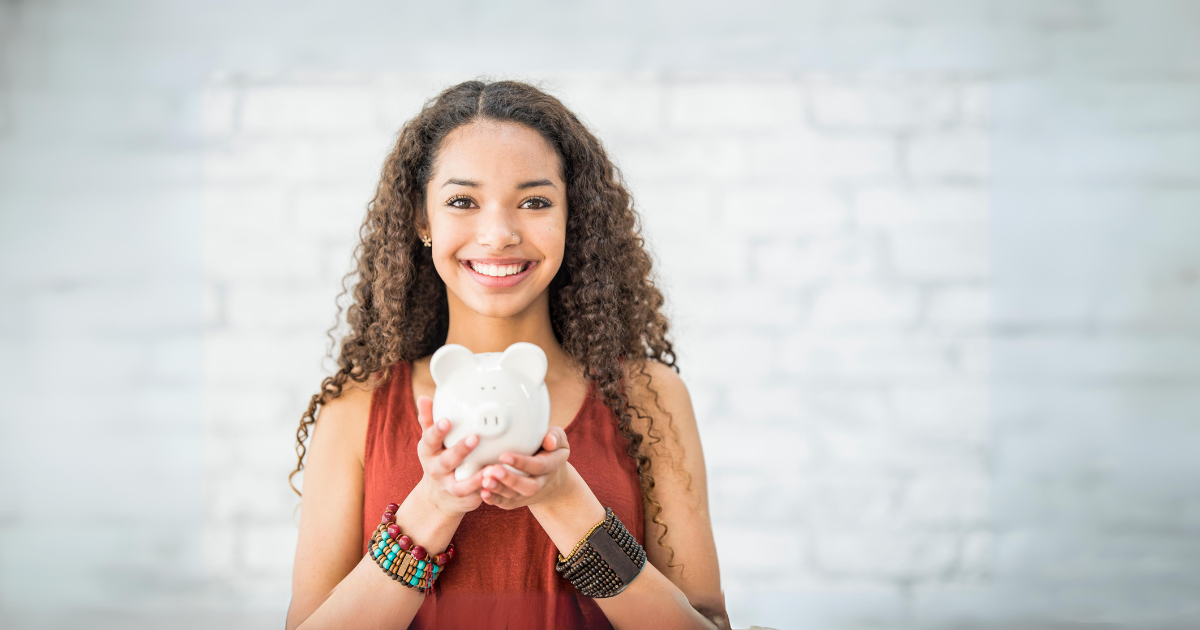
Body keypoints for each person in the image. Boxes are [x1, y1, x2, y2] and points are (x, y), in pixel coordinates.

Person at [284, 79, 729, 629]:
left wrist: (566, 503)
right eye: (462, 201)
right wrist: (434, 506)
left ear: (573, 218)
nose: (497, 234)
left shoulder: (650, 397)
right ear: (423, 221)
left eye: (535, 201)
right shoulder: (356, 409)